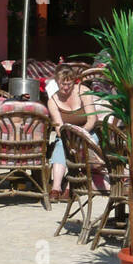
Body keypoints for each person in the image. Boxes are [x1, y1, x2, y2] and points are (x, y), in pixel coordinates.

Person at [47, 64, 100, 200]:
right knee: (60, 146)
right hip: (66, 135)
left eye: (68, 84)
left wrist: (81, 133)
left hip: (87, 132)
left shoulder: (83, 92)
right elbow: (59, 127)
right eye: (62, 84)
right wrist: (68, 136)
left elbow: (92, 119)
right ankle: (56, 188)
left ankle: (72, 186)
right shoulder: (53, 101)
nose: (65, 88)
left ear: (74, 81)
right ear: (56, 82)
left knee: (84, 146)